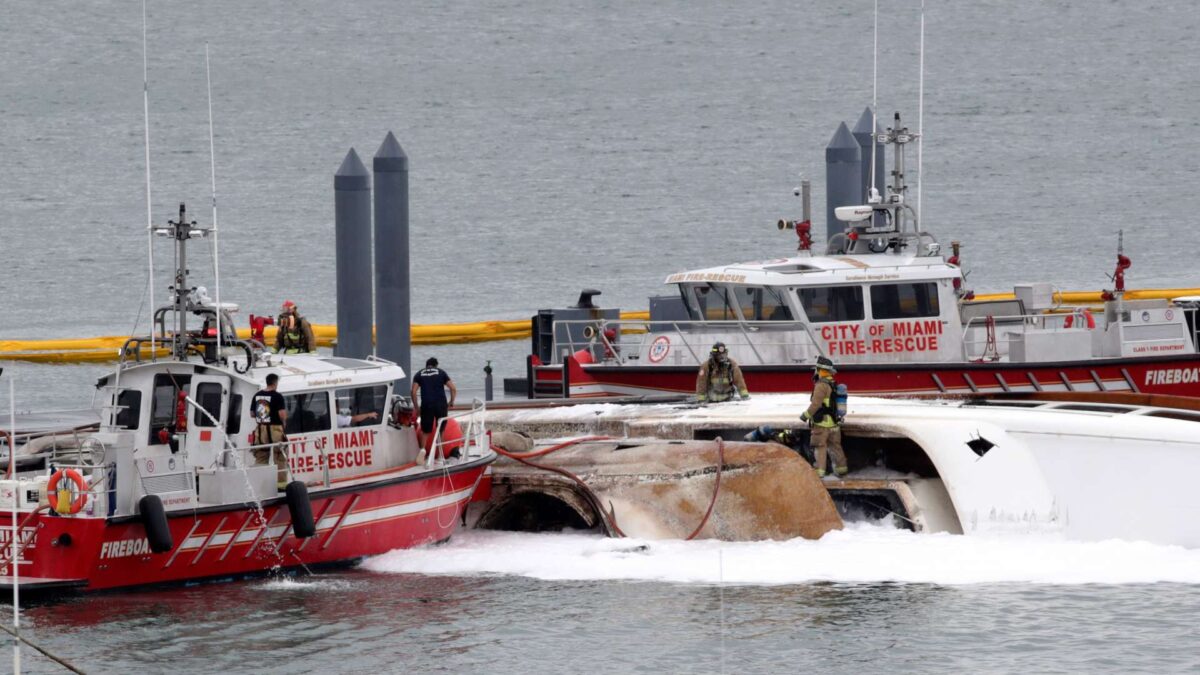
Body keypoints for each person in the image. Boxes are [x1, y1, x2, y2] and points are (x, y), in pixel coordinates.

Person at [800, 356, 848, 478]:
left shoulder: (821, 385)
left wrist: (805, 415)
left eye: (816, 369)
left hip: (822, 423)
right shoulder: (833, 383)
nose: (815, 371)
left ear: (820, 370)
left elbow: (816, 404)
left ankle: (819, 471)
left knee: (819, 446)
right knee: (835, 446)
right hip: (834, 422)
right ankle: (842, 469)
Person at [251, 373, 290, 488]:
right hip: (275, 430)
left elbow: (252, 414)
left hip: (261, 430)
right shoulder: (278, 396)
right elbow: (282, 414)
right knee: (280, 456)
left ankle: (260, 485)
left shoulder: (257, 395)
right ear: (275, 382)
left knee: (261, 456)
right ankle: (281, 485)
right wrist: (284, 423)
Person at [411, 357, 456, 447]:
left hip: (427, 405)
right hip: (441, 404)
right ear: (436, 365)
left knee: (425, 431)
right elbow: (453, 388)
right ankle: (440, 457)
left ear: (426, 365)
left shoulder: (419, 374)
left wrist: (417, 408)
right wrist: (451, 401)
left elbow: (413, 392)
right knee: (441, 430)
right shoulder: (441, 372)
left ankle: (422, 454)